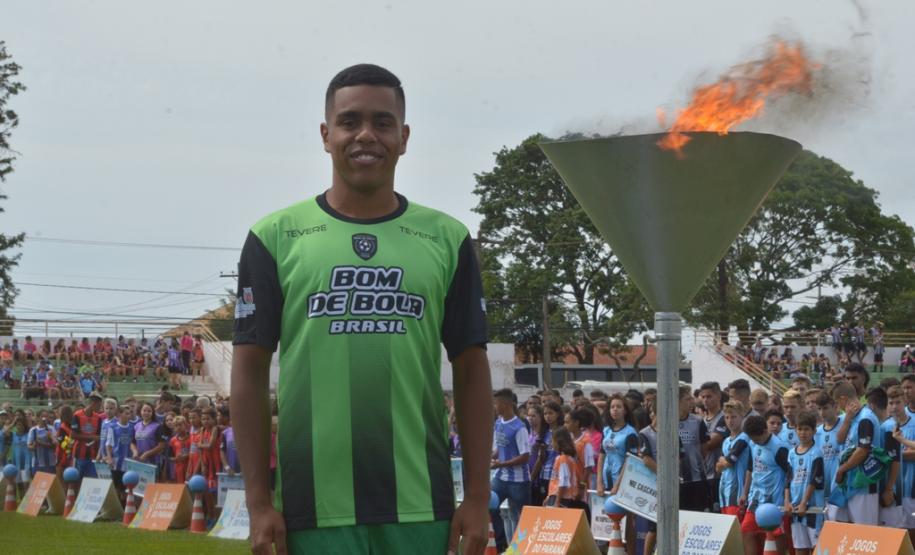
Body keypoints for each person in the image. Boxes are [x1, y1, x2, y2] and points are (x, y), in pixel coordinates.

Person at [230, 63, 492, 555]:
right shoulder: (274, 237)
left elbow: (473, 372)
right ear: (326, 135)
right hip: (310, 511)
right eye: (350, 122)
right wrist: (259, 504)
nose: (366, 135)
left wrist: (478, 497)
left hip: (421, 508)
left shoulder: (447, 238)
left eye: (382, 122)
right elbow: (248, 374)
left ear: (404, 136)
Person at [832, 380, 883, 525]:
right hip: (851, 483)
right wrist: (847, 419)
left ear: (843, 399)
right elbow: (840, 440)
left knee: (865, 533)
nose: (838, 407)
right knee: (846, 529)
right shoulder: (851, 418)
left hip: (865, 484)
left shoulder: (865, 418)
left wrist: (842, 469)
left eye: (837, 402)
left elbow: (863, 451)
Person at [741, 414, 790, 555]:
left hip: (774, 501)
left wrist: (787, 499)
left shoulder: (780, 448)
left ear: (764, 431)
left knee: (777, 533)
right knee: (746, 530)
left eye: (756, 439)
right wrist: (745, 493)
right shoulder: (752, 444)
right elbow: (751, 468)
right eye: (752, 439)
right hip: (755, 498)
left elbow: (790, 474)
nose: (754, 442)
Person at [490, 388, 530, 552]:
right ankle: (501, 544)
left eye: (496, 403)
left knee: (523, 518)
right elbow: (500, 446)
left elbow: (525, 456)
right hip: (500, 478)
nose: (494, 406)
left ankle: (522, 548)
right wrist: (492, 456)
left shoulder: (519, 427)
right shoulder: (498, 423)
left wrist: (501, 464)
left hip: (518, 482)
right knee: (489, 506)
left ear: (505, 405)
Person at [784, 411, 825, 555]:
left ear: (814, 431)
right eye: (800, 429)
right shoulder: (791, 453)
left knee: (816, 547)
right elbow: (788, 479)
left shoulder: (817, 453)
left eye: (807, 429)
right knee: (800, 548)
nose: (803, 433)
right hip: (795, 508)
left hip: (812, 508)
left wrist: (804, 502)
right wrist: (787, 502)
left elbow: (814, 481)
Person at [678, 384, 711, 512]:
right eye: (687, 399)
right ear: (677, 401)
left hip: (697, 478)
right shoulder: (666, 421)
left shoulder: (698, 421)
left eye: (691, 398)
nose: (692, 401)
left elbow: (704, 449)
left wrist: (696, 462)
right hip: (675, 480)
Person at [716, 401, 751, 518]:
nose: (730, 420)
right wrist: (723, 462)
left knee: (737, 531)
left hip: (737, 493)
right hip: (724, 493)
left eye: (734, 417)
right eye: (727, 417)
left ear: (742, 417)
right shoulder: (726, 441)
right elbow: (717, 468)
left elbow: (728, 463)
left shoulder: (744, 438)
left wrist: (723, 461)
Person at [543, 428, 579, 509]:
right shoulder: (568, 458)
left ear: (558, 442)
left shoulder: (563, 459)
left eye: (553, 441)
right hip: (559, 496)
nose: (552, 444)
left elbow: (563, 482)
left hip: (561, 498)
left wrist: (557, 502)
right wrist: (548, 496)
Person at [105, 405, 134, 498]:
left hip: (128, 461)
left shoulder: (132, 427)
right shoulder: (113, 427)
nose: (129, 416)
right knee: (117, 486)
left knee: (127, 486)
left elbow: (133, 443)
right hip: (116, 462)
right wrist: (109, 458)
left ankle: (126, 506)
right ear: (119, 414)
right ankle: (119, 506)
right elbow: (109, 444)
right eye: (126, 413)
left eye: (130, 413)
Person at [72, 393, 104, 478]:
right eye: (99, 405)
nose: (100, 408)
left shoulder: (98, 418)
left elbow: (99, 435)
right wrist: (91, 437)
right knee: (76, 478)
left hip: (93, 455)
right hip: (79, 454)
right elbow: (73, 435)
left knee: (91, 479)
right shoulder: (77, 415)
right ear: (93, 403)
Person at [27, 409, 58, 475]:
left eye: (47, 416)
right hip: (38, 462)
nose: (45, 418)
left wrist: (44, 442)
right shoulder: (33, 430)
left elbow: (55, 445)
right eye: (43, 416)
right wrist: (34, 445)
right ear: (38, 417)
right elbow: (29, 447)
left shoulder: (52, 429)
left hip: (51, 462)